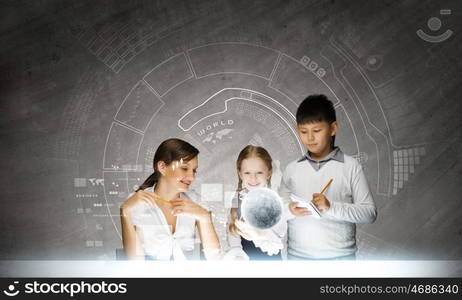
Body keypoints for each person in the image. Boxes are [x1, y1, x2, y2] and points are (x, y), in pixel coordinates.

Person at [279, 94, 377, 260]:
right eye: (303, 131)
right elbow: (276, 214)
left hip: (340, 260)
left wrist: (331, 208)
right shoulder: (292, 169)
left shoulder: (350, 166)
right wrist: (289, 210)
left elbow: (369, 213)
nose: (310, 138)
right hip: (298, 259)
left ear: (333, 128)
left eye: (317, 131)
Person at [119, 138, 221, 260]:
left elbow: (215, 258)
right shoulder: (136, 203)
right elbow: (134, 263)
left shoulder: (196, 202)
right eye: (184, 168)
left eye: (194, 170)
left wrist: (204, 217)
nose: (192, 177)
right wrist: (125, 211)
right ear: (162, 167)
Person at [225, 145, 285, 260]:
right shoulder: (237, 199)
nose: (253, 178)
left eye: (259, 173)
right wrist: (236, 251)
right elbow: (232, 231)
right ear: (240, 174)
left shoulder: (275, 203)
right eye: (247, 173)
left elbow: (275, 247)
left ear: (268, 173)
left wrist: (258, 235)